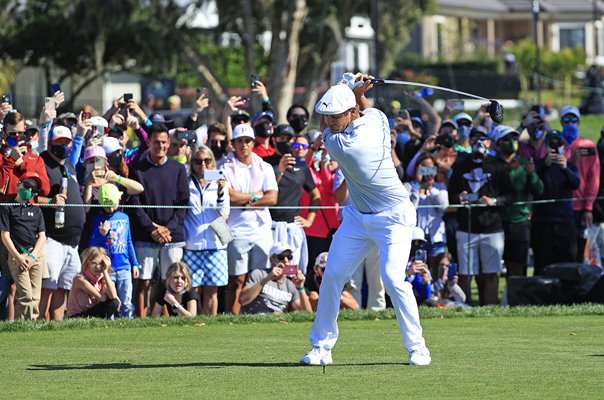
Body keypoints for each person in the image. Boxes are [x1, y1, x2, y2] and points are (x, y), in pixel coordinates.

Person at [300, 74, 431, 367]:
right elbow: (365, 109)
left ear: (350, 113)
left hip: (394, 217)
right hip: (358, 217)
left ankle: (418, 347)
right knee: (333, 275)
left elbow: (325, 133)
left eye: (336, 116)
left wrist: (349, 86)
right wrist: (356, 92)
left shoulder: (345, 146)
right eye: (327, 116)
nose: (331, 121)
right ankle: (321, 347)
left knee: (393, 278)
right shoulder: (377, 119)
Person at [448, 126, 514, 306]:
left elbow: (510, 195)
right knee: (466, 273)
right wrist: (459, 198)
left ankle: (489, 309)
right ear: (469, 141)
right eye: (474, 138)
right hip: (466, 228)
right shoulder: (461, 166)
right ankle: (465, 307)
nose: (478, 142)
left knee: (491, 273)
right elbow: (451, 194)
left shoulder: (499, 166)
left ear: (489, 141)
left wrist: (493, 201)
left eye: (482, 138)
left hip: (492, 228)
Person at [129, 124, 190, 317]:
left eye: (164, 142)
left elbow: (183, 203)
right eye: (156, 142)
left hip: (172, 236)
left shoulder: (178, 169)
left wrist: (167, 229)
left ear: (169, 143)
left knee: (171, 280)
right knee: (144, 281)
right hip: (145, 235)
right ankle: (141, 319)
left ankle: (166, 317)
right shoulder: (137, 169)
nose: (160, 146)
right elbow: (135, 204)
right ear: (148, 142)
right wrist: (152, 228)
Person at [222, 124, 278, 314]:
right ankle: (233, 317)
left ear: (253, 143)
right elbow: (230, 197)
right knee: (236, 279)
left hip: (261, 230)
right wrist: (256, 196)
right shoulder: (224, 166)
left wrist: (244, 201)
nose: (244, 145)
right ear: (233, 143)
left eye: (247, 141)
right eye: (240, 141)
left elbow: (272, 198)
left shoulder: (265, 166)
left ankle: (255, 314)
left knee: (259, 276)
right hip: (236, 230)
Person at [38, 125, 86, 320]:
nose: (64, 146)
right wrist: (50, 201)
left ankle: (57, 327)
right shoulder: (42, 164)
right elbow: (29, 197)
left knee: (63, 288)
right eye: (59, 142)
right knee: (48, 286)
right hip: (53, 237)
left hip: (73, 242)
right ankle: (39, 323)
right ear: (50, 143)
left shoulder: (69, 165)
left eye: (67, 142)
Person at [265, 129, 321, 274]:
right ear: (274, 140)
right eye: (281, 138)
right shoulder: (265, 163)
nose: (286, 142)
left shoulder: (301, 166)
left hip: (292, 228)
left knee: (292, 272)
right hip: (269, 228)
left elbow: (315, 196)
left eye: (289, 139)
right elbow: (266, 193)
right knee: (269, 272)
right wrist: (279, 170)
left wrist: (309, 220)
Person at [183, 146, 230, 316]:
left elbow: (225, 213)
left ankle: (211, 324)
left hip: (215, 244)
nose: (203, 165)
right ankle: (193, 322)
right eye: (197, 161)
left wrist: (220, 193)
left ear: (212, 162)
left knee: (212, 290)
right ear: (192, 163)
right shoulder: (186, 183)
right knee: (192, 289)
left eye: (207, 160)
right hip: (192, 244)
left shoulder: (220, 182)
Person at [531, 130, 580, 275]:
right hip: (542, 221)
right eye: (551, 143)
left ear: (563, 146)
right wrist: (545, 165)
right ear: (545, 145)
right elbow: (534, 185)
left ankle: (568, 295)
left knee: (568, 258)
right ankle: (543, 294)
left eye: (558, 143)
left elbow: (575, 183)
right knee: (542, 260)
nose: (554, 147)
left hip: (565, 220)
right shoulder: (538, 164)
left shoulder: (569, 165)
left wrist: (564, 168)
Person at [88, 184, 140, 319]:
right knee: (110, 300)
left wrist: (134, 263)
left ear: (118, 200)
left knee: (126, 301)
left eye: (113, 204)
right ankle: (109, 324)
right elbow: (91, 245)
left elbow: (128, 242)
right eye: (107, 205)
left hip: (125, 267)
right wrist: (101, 234)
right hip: (107, 270)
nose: (110, 208)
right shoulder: (98, 220)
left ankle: (128, 323)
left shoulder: (124, 217)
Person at [0, 172, 46, 319]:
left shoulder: (37, 210)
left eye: (35, 189)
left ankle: (31, 327)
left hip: (35, 256)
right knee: (25, 295)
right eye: (27, 186)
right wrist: (18, 257)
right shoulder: (7, 207)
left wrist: (33, 256)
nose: (30, 191)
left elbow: (42, 236)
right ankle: (23, 326)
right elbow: (5, 235)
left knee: (35, 296)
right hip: (16, 256)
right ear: (19, 184)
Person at [558, 106, 600, 259]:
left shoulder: (588, 146)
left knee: (581, 253)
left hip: (580, 208)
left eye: (573, 119)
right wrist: (570, 160)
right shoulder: (555, 145)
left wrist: (588, 207)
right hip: (559, 206)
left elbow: (593, 179)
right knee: (562, 251)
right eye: (566, 119)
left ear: (579, 122)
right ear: (561, 122)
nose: (570, 123)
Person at [239, 243, 312, 314]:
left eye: (289, 257)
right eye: (281, 257)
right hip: (256, 319)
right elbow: (242, 300)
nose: (286, 260)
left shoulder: (291, 285)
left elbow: (307, 314)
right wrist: (267, 279)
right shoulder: (259, 274)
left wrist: (301, 288)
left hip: (277, 322)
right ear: (271, 259)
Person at [66, 247, 119, 319]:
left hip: (91, 312)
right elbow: (102, 298)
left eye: (101, 263)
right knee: (113, 303)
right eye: (93, 263)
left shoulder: (102, 278)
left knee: (114, 302)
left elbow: (113, 296)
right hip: (77, 316)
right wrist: (113, 297)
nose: (97, 267)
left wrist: (105, 271)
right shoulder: (80, 279)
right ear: (87, 264)